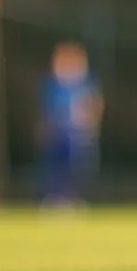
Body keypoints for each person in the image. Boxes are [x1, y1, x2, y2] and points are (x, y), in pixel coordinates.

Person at [38, 41, 102, 207]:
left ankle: (75, 198)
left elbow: (95, 105)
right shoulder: (52, 85)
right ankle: (56, 198)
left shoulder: (86, 83)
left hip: (79, 135)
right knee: (56, 167)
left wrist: (90, 125)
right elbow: (45, 110)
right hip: (57, 134)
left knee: (78, 167)